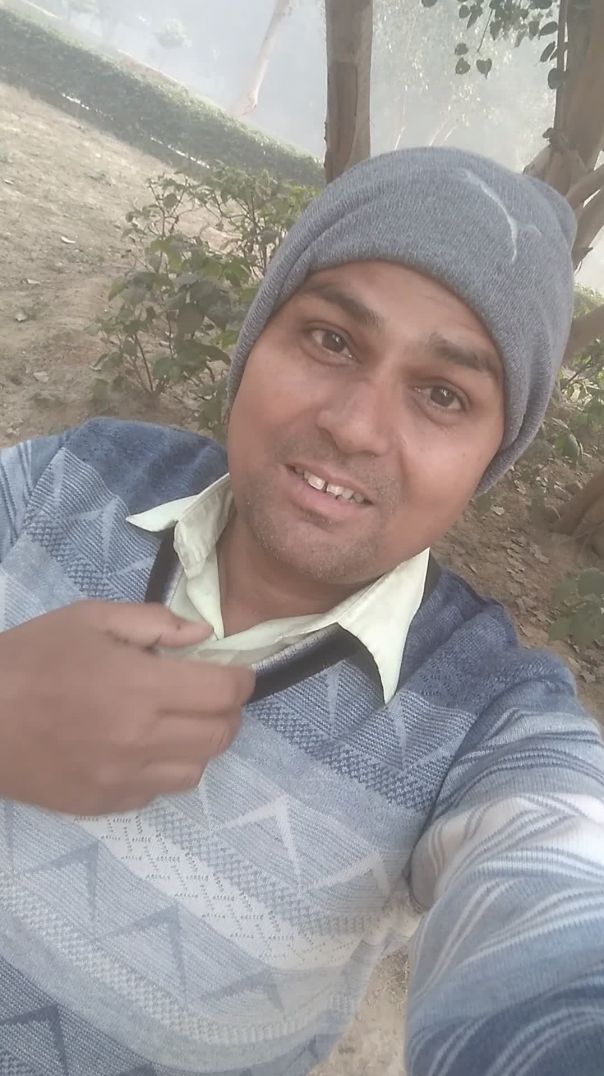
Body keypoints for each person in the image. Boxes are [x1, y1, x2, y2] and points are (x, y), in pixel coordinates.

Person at [0, 146, 602, 1076]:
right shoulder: (69, 480)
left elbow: (556, 890)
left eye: (443, 395)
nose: (354, 425)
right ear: (256, 342)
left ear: (491, 457)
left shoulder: (482, 722)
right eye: (331, 340)